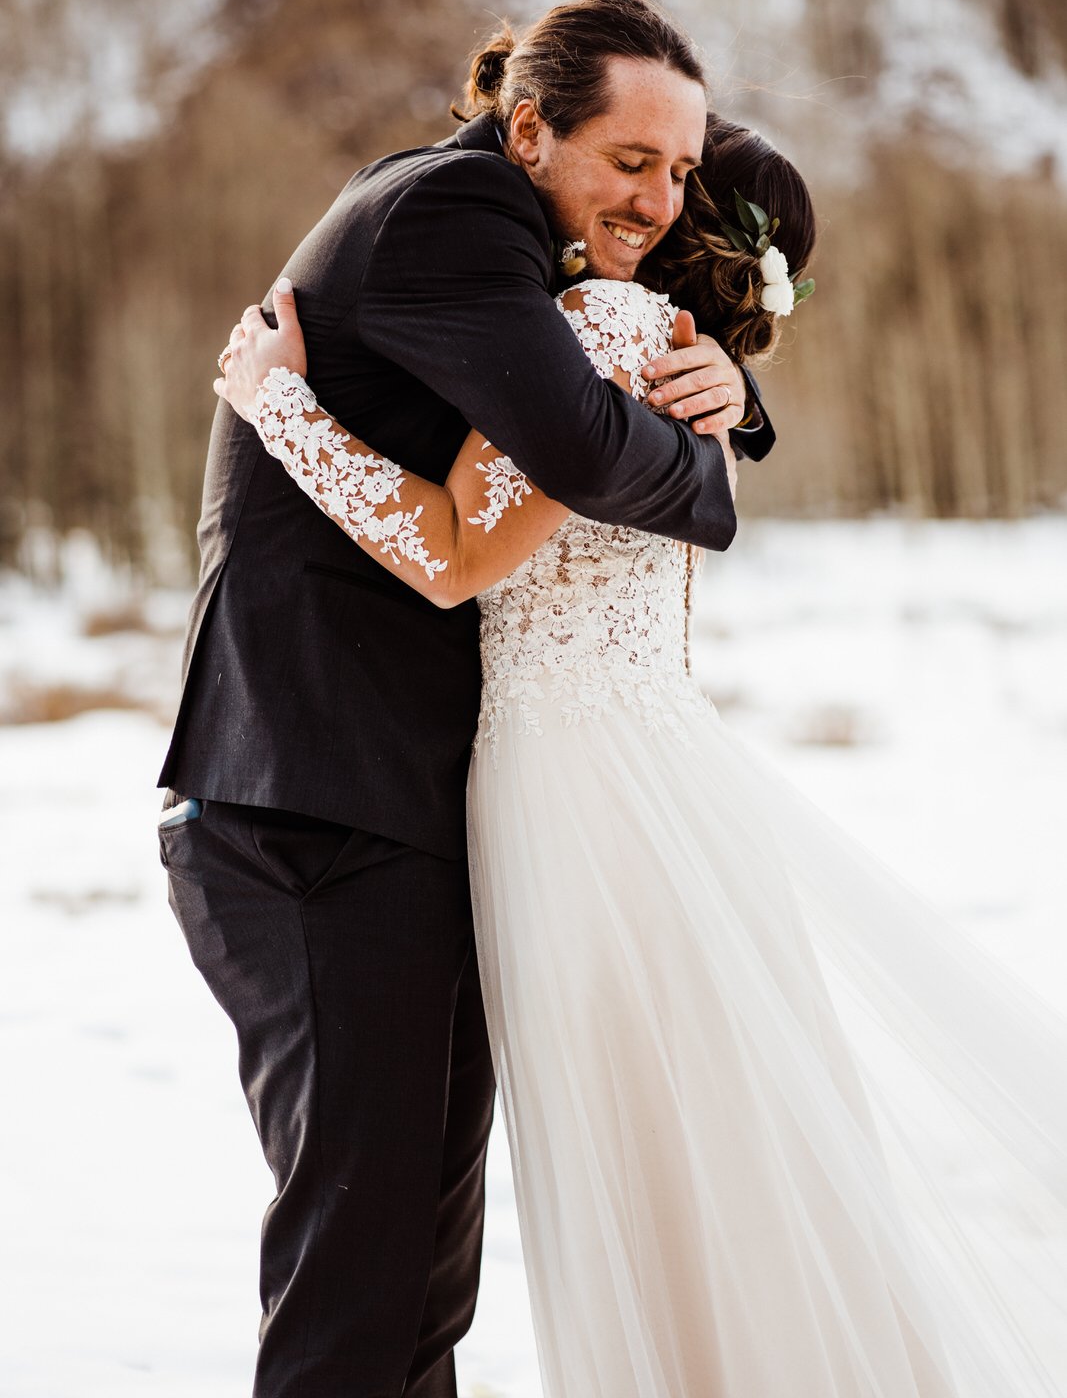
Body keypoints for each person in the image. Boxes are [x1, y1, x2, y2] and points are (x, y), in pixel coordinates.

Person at [217, 111, 1067, 1397]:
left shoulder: (598, 334)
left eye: (671, 178)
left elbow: (453, 555)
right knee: (709, 1154)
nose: (642, 196)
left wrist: (282, 407)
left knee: (637, 1160)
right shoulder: (682, 357)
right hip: (642, 762)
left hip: (571, 781)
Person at [157, 0, 780, 1398]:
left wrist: (735, 399)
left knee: (413, 1280)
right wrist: (718, 456)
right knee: (364, 1276)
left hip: (410, 805)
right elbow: (541, 466)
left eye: (682, 176)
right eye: (628, 161)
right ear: (523, 128)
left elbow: (722, 180)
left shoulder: (564, 274)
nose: (659, 194)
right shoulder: (460, 218)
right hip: (307, 800)